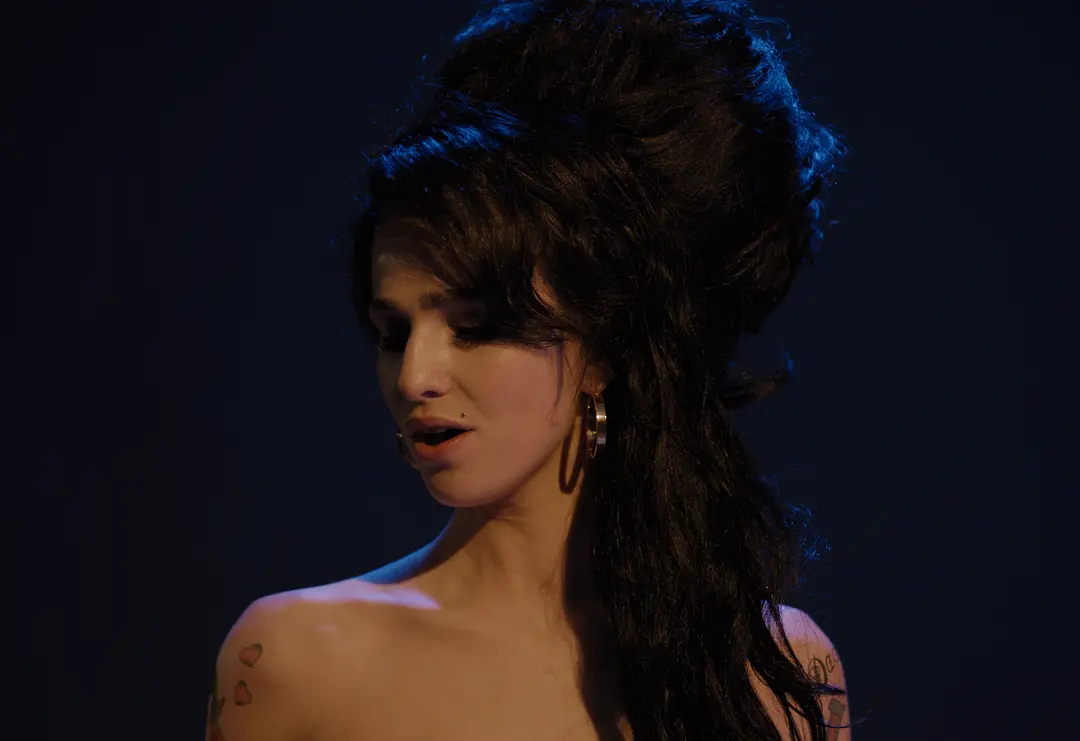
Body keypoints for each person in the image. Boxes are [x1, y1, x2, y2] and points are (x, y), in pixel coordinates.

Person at [206, 1, 856, 740]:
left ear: (603, 347)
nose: (414, 377)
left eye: (476, 328)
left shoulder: (777, 669)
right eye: (393, 333)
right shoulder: (296, 660)